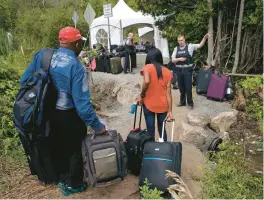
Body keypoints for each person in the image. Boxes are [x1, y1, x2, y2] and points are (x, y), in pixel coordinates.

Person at [20, 26, 106, 196]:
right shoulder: (77, 67)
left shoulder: (43, 56)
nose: (81, 46)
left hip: (47, 111)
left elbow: (25, 81)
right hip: (68, 114)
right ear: (75, 44)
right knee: (74, 148)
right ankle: (73, 184)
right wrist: (98, 126)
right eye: (80, 43)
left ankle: (60, 177)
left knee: (56, 142)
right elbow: (82, 107)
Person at [136, 47, 173, 142]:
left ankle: (152, 151)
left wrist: (141, 95)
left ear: (149, 57)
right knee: (162, 130)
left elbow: (147, 81)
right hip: (163, 106)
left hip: (149, 104)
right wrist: (170, 111)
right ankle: (164, 150)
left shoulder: (147, 67)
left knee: (150, 130)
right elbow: (168, 93)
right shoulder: (168, 72)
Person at [171, 33, 209, 109]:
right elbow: (173, 60)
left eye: (181, 40)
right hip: (179, 71)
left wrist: (204, 38)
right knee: (181, 88)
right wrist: (179, 59)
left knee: (188, 88)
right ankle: (182, 102)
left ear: (184, 40)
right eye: (179, 41)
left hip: (187, 71)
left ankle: (190, 103)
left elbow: (200, 45)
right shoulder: (176, 49)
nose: (180, 42)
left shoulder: (190, 46)